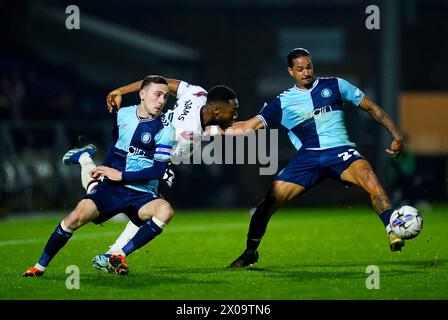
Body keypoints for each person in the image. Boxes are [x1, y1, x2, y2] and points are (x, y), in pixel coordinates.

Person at [225, 48, 405, 268]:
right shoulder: (282, 102)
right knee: (267, 205)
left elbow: (371, 107)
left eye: (308, 66)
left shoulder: (336, 85)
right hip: (308, 159)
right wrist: (209, 127)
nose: (306, 72)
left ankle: (392, 231)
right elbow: (248, 126)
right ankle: (250, 252)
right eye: (299, 69)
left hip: (340, 152)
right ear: (290, 71)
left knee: (372, 181)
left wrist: (396, 135)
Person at [61, 77, 239, 273]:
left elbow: (157, 80)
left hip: (157, 153)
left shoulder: (198, 93)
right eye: (233, 112)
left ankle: (114, 253)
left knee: (147, 204)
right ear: (216, 110)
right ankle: (85, 160)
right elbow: (206, 133)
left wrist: (120, 89)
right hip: (149, 156)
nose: (235, 116)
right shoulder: (186, 133)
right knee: (115, 192)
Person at [22, 75, 176, 276]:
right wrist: (104, 170)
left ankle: (118, 254)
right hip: (113, 189)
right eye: (157, 95)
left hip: (142, 193)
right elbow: (114, 144)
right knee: (75, 217)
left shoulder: (166, 128)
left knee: (165, 210)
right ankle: (39, 267)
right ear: (142, 94)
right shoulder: (124, 115)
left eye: (165, 96)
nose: (162, 101)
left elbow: (157, 171)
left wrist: (120, 175)